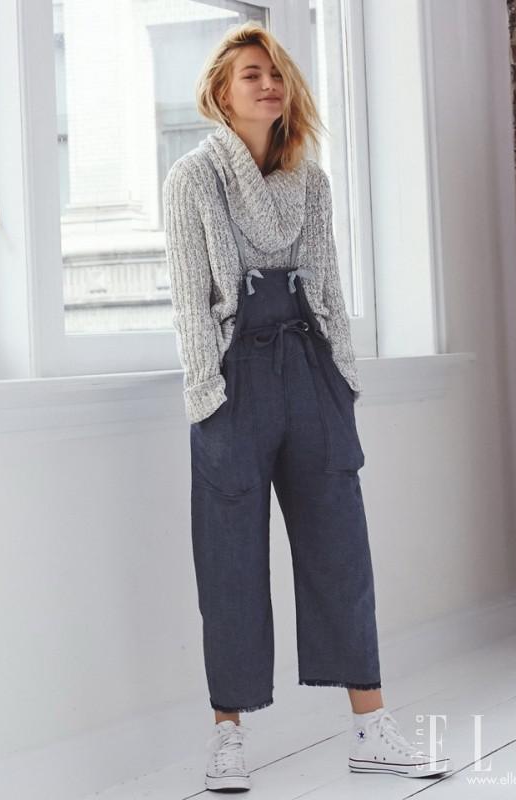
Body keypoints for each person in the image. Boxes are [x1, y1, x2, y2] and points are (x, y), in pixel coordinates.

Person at [163, 21, 450, 793]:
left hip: (311, 374)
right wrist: (208, 394)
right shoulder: (194, 178)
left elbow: (327, 289)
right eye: (251, 74)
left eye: (275, 74)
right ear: (220, 93)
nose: (268, 84)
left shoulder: (309, 182)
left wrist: (342, 383)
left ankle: (371, 727)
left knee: (341, 552)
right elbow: (189, 300)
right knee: (229, 563)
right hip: (233, 384)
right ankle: (227, 736)